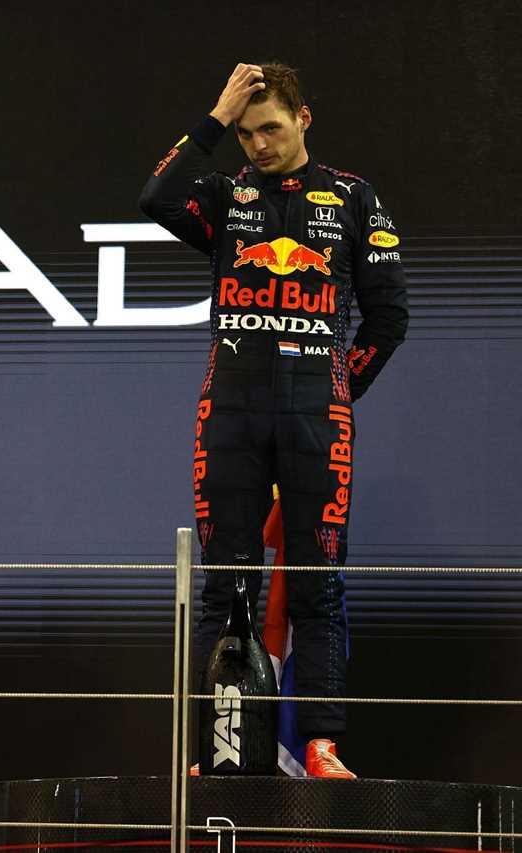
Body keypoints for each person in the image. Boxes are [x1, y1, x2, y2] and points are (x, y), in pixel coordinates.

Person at [139, 63, 408, 778]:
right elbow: (154, 197)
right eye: (246, 132)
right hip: (228, 414)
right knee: (226, 584)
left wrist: (335, 391)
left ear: (303, 119)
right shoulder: (226, 197)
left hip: (317, 418)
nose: (257, 144)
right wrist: (215, 116)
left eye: (271, 128)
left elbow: (390, 315)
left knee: (319, 583)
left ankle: (320, 745)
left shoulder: (353, 197)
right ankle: (218, 750)